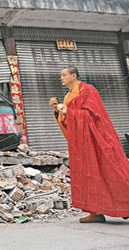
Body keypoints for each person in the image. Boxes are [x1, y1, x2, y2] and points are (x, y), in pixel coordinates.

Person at [49, 66, 129, 223]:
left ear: (74, 76)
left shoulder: (88, 90)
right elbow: (67, 123)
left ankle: (125, 205)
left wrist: (68, 112)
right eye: (61, 75)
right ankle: (96, 212)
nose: (61, 78)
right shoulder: (67, 98)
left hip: (99, 139)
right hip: (82, 144)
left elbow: (94, 116)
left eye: (64, 75)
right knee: (88, 175)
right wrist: (58, 111)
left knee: (113, 171)